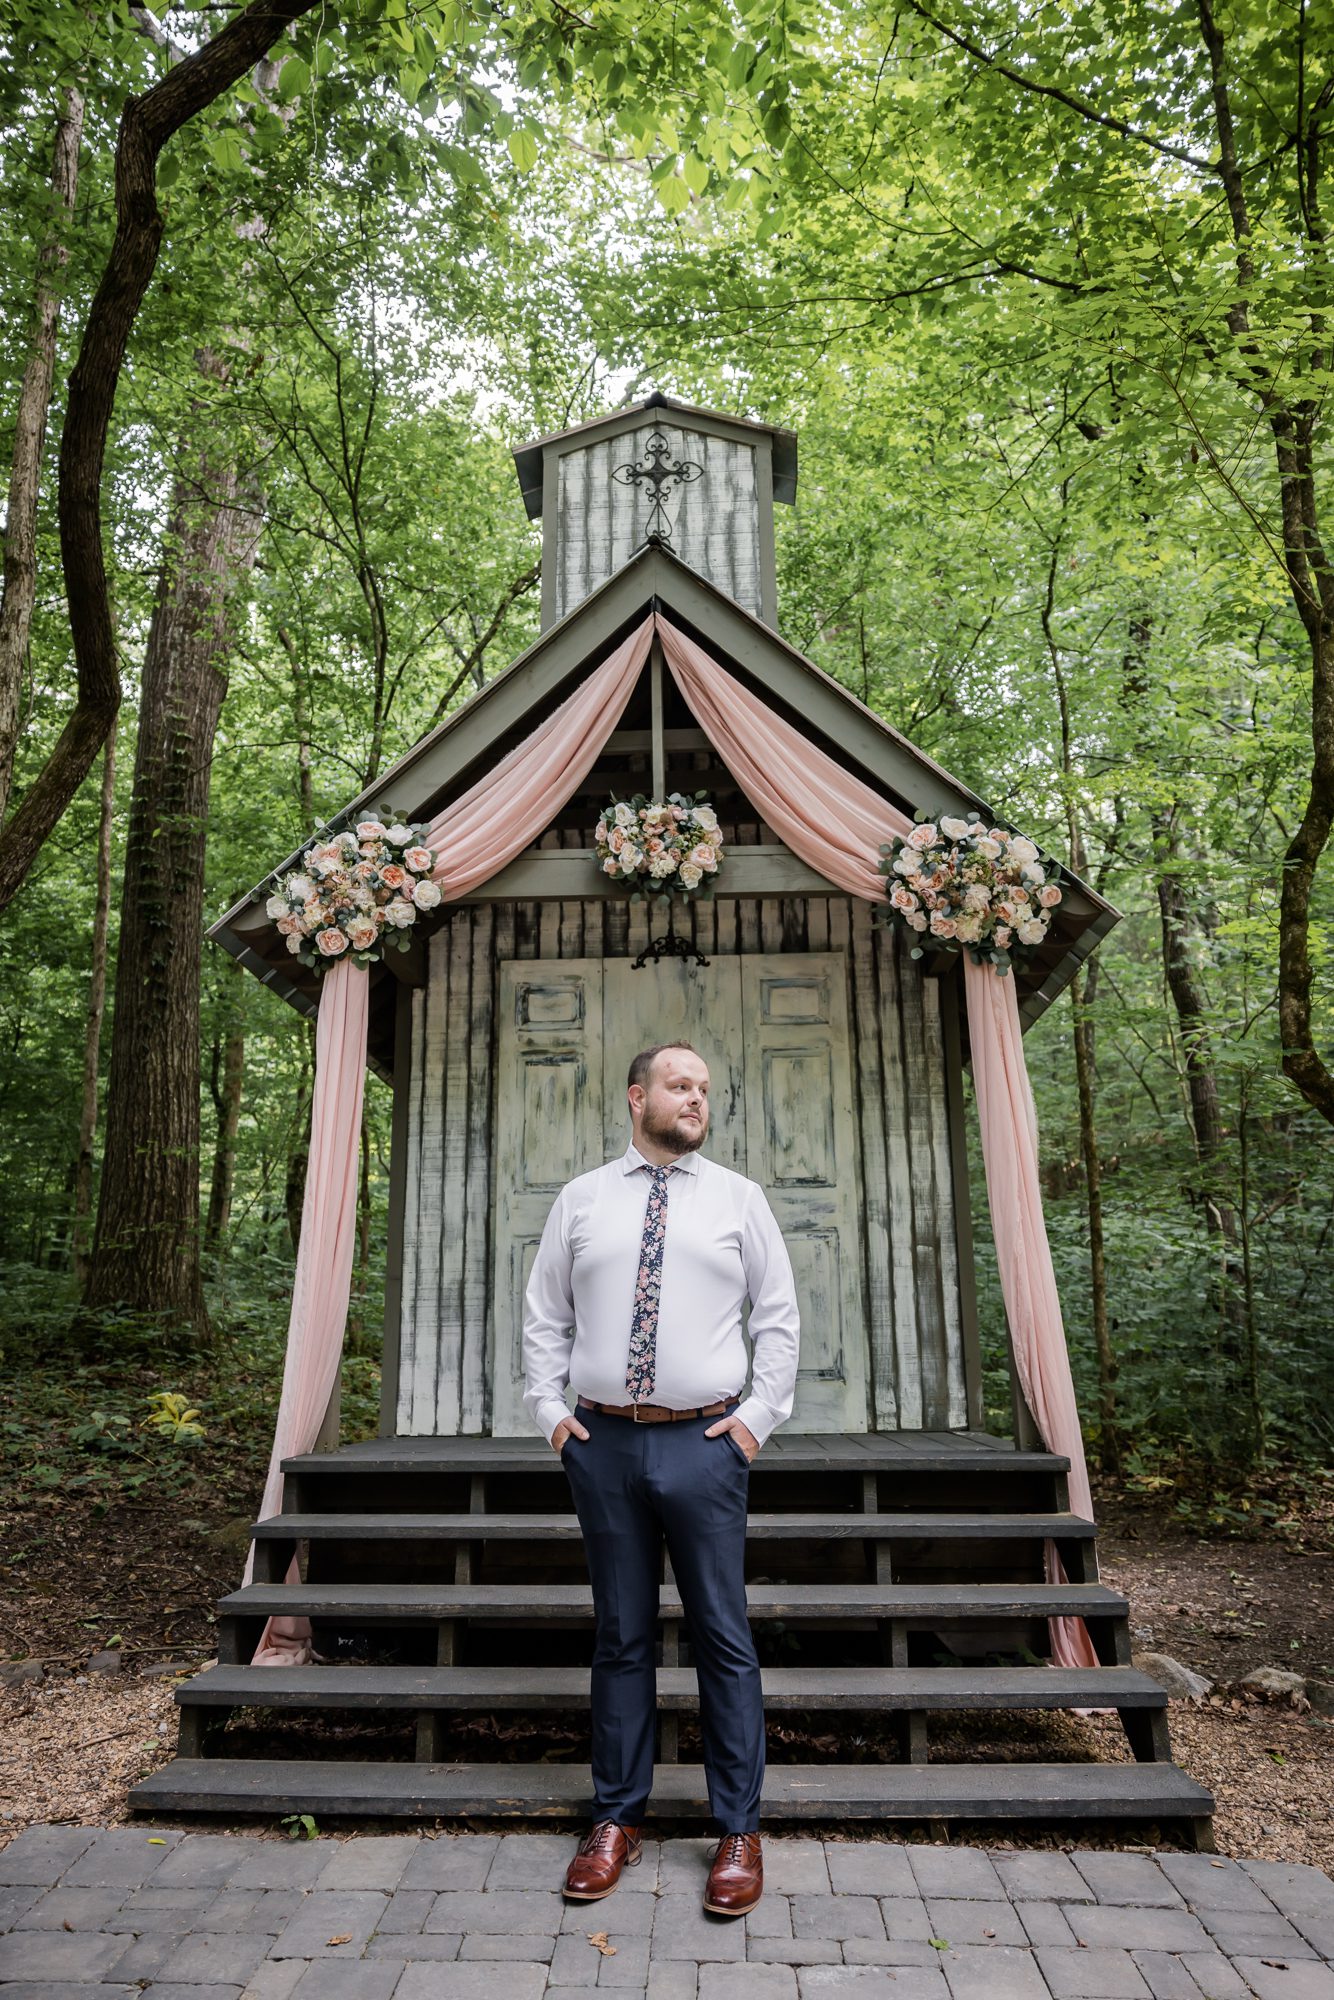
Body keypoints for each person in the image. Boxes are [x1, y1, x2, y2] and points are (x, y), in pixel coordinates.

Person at [522, 1040, 801, 1916]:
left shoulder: (738, 1199)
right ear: (636, 1094)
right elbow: (544, 1317)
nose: (696, 1100)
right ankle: (615, 1818)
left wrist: (753, 1424)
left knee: (723, 1632)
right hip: (601, 1445)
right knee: (621, 1635)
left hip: (705, 1445)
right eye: (680, 1086)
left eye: (706, 1089)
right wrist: (553, 1418)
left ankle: (739, 1830)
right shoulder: (582, 1200)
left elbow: (781, 1320)